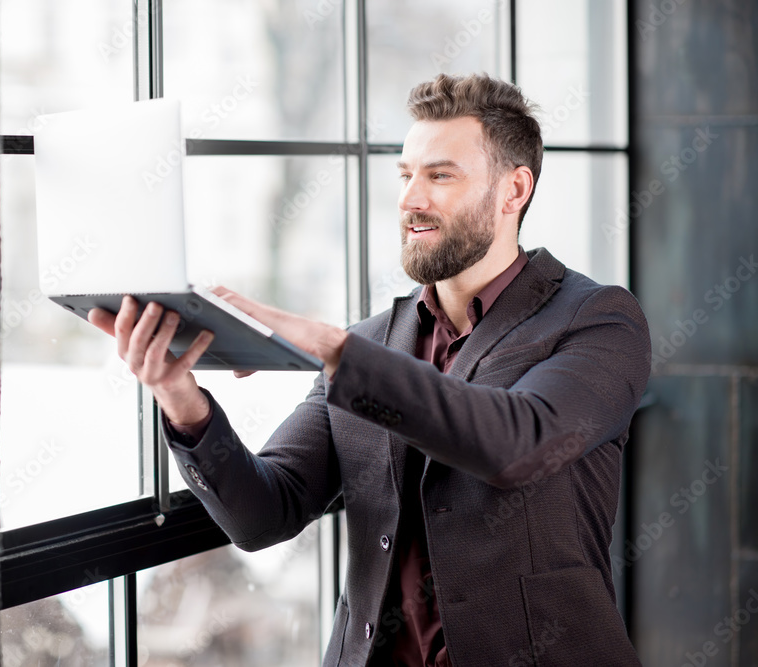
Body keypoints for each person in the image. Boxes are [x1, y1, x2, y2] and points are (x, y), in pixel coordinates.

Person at [89, 73, 650, 666]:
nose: (411, 199)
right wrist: (183, 401)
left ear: (514, 190)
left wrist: (331, 348)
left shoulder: (598, 321)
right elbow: (263, 514)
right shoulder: (368, 342)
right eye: (406, 175)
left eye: (440, 175)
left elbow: (519, 444)